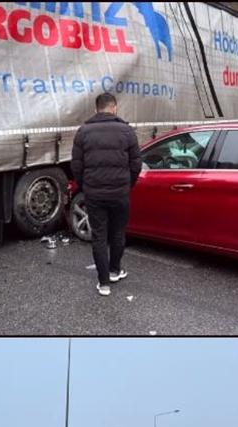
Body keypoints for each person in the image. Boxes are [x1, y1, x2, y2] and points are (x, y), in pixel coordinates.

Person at [70, 92, 142, 297]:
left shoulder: (83, 132)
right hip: (120, 192)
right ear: (115, 108)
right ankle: (114, 271)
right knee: (118, 233)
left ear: (96, 109)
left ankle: (103, 284)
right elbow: (136, 164)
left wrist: (85, 186)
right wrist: (128, 184)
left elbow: (76, 166)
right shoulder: (127, 131)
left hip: (94, 193)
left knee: (99, 236)